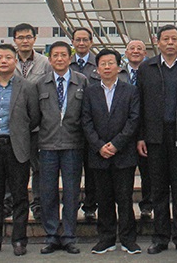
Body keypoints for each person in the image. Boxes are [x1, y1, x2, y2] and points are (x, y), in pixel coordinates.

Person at [136, 24, 177, 255]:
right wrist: (141, 136)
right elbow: (139, 104)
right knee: (159, 189)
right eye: (166, 39)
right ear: (158, 42)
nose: (170, 43)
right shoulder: (146, 68)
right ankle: (160, 237)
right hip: (155, 136)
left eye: (174, 39)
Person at [0, 43, 40, 256]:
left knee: (20, 196)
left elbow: (34, 118)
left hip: (17, 147)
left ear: (15, 61)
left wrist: (19, 133)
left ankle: (19, 240)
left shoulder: (27, 87)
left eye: (8, 57)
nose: (3, 61)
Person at [82, 49, 141, 255]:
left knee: (125, 199)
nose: (107, 67)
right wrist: (99, 146)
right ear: (97, 69)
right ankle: (106, 239)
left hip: (123, 154)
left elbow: (134, 120)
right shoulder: (90, 92)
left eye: (111, 63)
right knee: (104, 199)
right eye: (103, 64)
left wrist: (116, 144)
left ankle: (128, 239)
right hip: (98, 155)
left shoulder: (130, 91)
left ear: (118, 67)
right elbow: (86, 121)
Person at [35, 40, 88, 254]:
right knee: (48, 192)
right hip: (47, 144)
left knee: (71, 192)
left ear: (70, 57)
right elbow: (34, 115)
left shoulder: (82, 81)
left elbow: (87, 112)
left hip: (73, 144)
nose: (59, 59)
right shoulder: (40, 83)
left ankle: (68, 235)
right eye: (55, 55)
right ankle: (51, 235)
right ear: (49, 59)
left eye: (63, 55)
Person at [10, 22, 51, 221]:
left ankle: (38, 204)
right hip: (14, 127)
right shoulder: (9, 61)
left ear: (35, 39)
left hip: (37, 126)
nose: (24, 41)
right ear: (14, 40)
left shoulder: (45, 63)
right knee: (15, 167)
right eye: (20, 37)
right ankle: (12, 203)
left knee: (38, 168)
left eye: (28, 37)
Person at [119, 39, 153, 220]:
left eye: (140, 48)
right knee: (125, 174)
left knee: (147, 172)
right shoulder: (119, 73)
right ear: (126, 53)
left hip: (146, 128)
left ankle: (147, 205)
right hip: (123, 130)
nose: (135, 51)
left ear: (145, 53)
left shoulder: (151, 73)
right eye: (132, 48)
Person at [69, 27, 99, 222]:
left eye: (85, 40)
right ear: (72, 42)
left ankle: (90, 206)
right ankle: (71, 206)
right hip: (70, 127)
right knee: (71, 171)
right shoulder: (65, 62)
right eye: (77, 40)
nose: (81, 43)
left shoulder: (99, 64)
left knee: (92, 170)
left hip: (93, 126)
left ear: (91, 42)